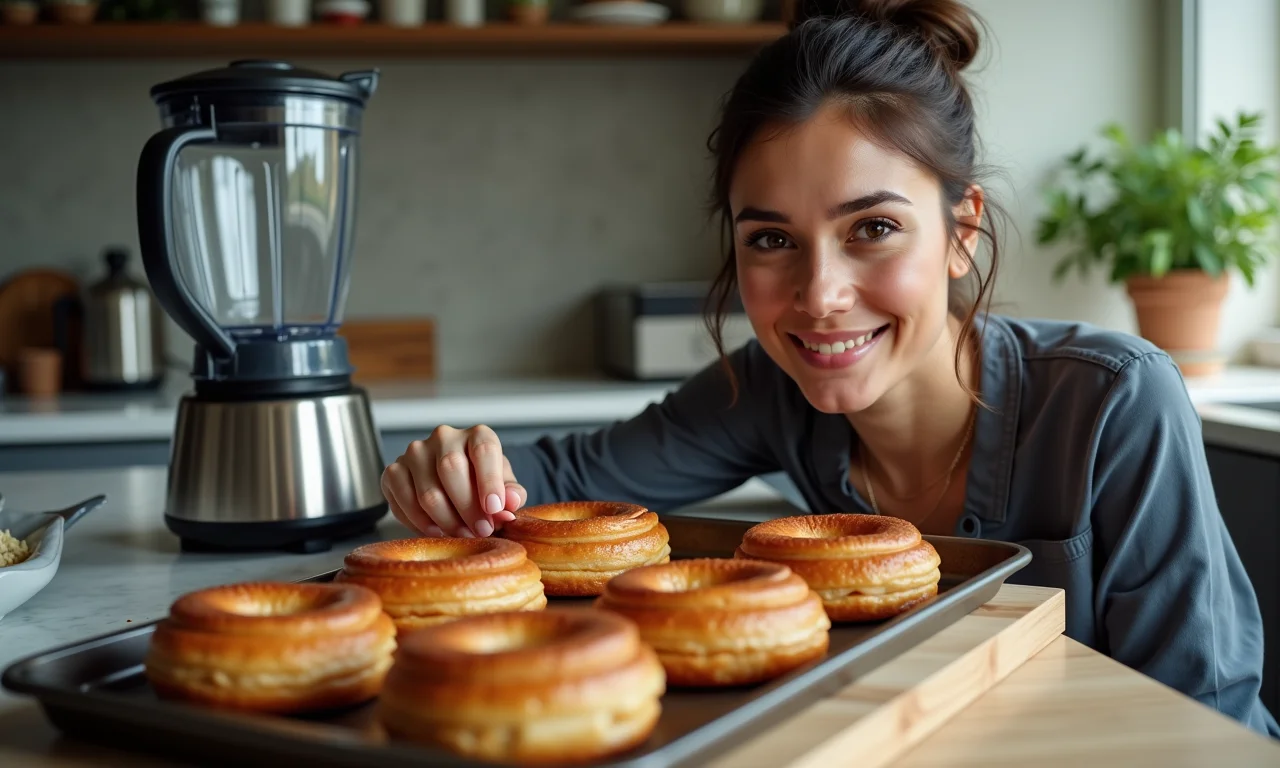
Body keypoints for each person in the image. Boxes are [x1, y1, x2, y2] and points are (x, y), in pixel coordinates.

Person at [380, 0, 1279, 737]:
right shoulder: (770, 392)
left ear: (961, 231)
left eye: (873, 229)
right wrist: (463, 470)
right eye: (771, 239)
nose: (819, 296)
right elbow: (562, 484)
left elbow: (1208, 722)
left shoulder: (1114, 399)